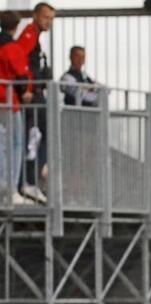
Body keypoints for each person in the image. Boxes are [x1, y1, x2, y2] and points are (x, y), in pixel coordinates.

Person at [15, 1, 53, 204]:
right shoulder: (29, 35)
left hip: (36, 93)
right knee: (36, 137)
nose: (49, 22)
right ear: (36, 16)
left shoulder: (35, 38)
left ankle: (29, 180)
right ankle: (28, 180)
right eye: (46, 17)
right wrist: (28, 89)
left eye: (51, 19)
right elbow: (20, 61)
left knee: (37, 136)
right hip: (32, 97)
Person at [0, 11, 31, 204]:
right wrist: (25, 92)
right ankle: (10, 190)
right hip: (8, 101)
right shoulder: (11, 47)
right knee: (15, 143)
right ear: (16, 26)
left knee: (1, 144)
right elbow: (21, 75)